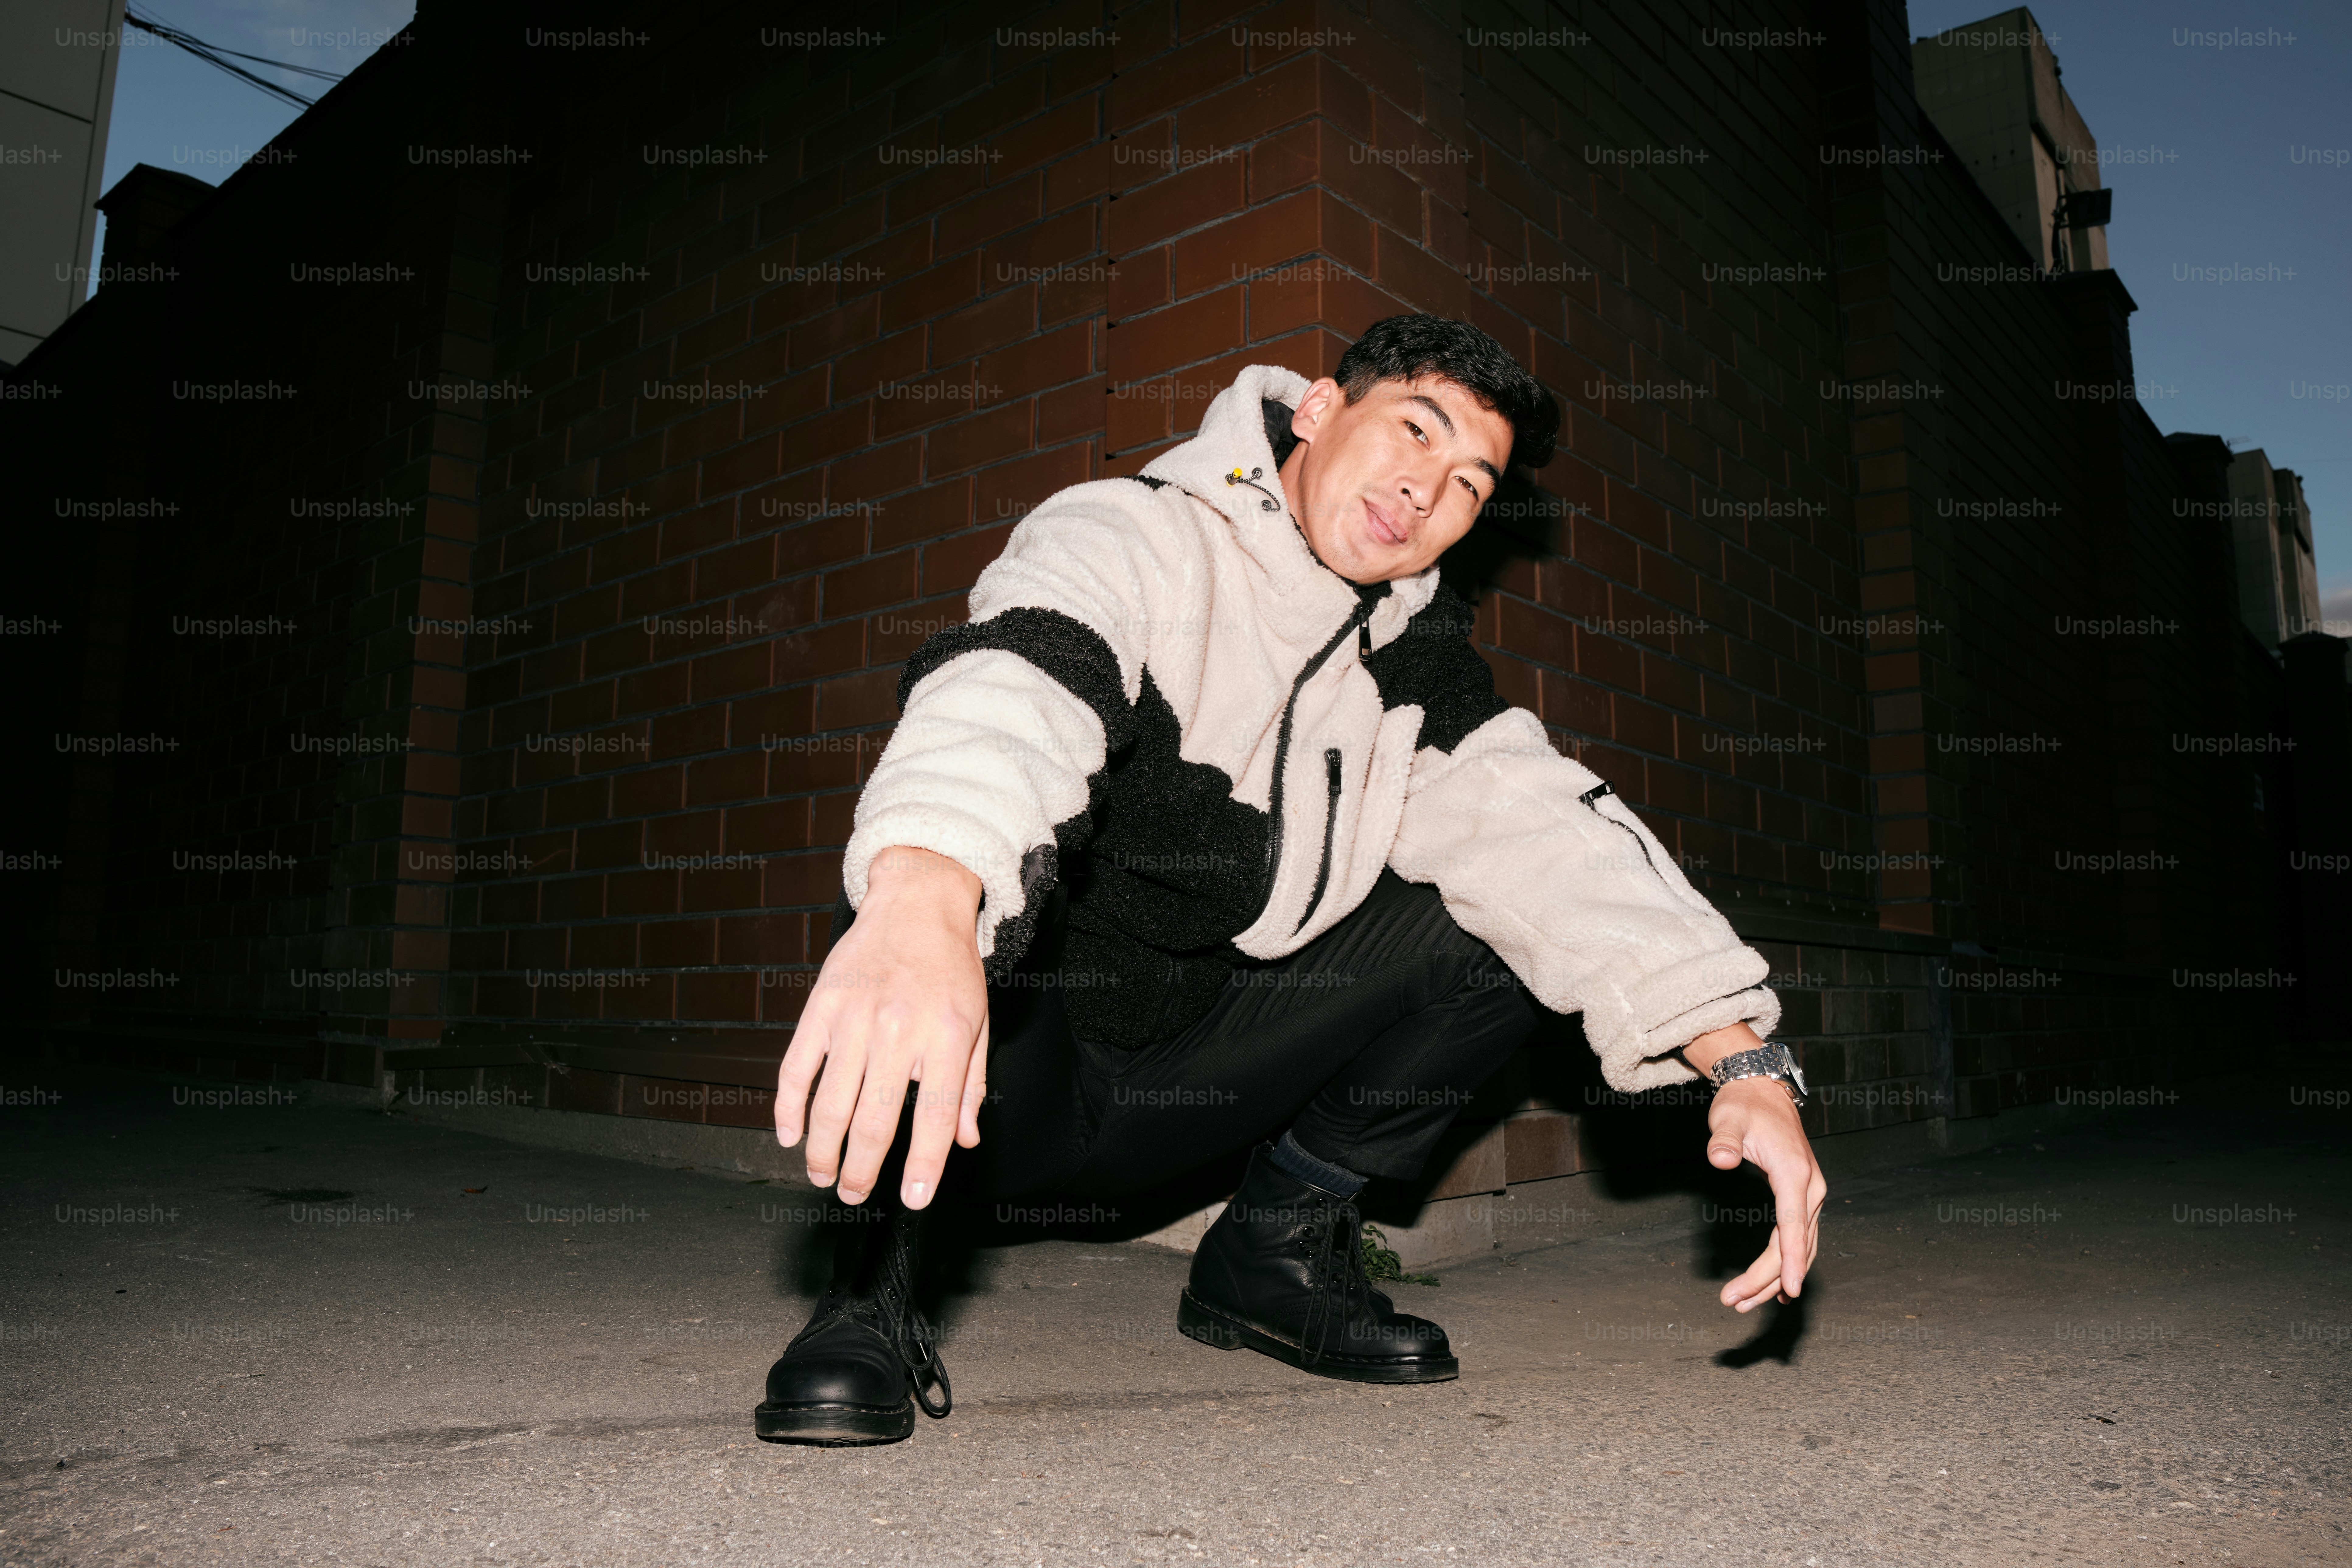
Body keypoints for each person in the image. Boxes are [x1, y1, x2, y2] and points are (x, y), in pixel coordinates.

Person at [757, 314, 1826, 1446]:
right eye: (1416, 431)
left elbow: (1556, 839)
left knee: (1491, 927)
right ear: (1318, 409)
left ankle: (1268, 1257)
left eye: (1470, 481)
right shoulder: (1135, 537)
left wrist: (1740, 1059)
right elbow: (1018, 683)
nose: (1428, 491)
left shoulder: (1416, 665)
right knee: (950, 879)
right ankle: (869, 1287)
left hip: (1193, 1090)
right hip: (1003, 1098)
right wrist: (922, 892)